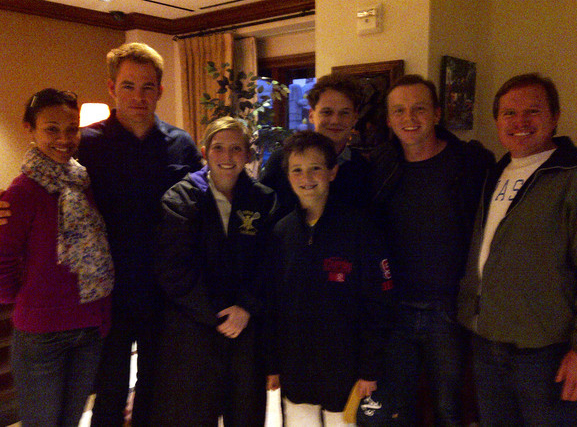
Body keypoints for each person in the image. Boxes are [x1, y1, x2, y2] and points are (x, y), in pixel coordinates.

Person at [457, 73, 577, 425]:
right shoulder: (497, 171)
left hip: (545, 353)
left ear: (555, 117)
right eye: (509, 113)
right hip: (487, 342)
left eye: (532, 111)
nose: (519, 122)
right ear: (497, 121)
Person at [78, 43, 202, 426]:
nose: (138, 96)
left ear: (160, 91)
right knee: (109, 388)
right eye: (128, 86)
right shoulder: (87, 144)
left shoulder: (181, 144)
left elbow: (203, 209)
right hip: (109, 289)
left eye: (148, 87)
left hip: (163, 288)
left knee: (156, 385)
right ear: (112, 88)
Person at [371, 74, 494, 425]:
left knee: (449, 408)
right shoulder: (380, 166)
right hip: (396, 308)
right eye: (399, 110)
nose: (409, 118)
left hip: (448, 309)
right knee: (397, 408)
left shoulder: (471, 164)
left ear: (437, 113)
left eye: (419, 108)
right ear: (389, 119)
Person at [150, 117, 277, 426]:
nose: (227, 156)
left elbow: (270, 262)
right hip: (194, 329)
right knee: (194, 415)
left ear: (248, 154)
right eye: (218, 148)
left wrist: (246, 307)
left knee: (245, 415)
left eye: (236, 148)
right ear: (205, 152)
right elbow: (173, 269)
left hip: (246, 330)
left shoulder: (264, 199)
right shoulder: (180, 198)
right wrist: (216, 314)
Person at [0, 89, 114, 425]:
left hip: (88, 327)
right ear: (30, 129)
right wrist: (33, 301)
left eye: (71, 129)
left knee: (72, 420)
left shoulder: (83, 182)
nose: (64, 139)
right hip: (42, 335)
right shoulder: (21, 193)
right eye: (52, 129)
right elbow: (3, 262)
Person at [265, 131, 393, 426]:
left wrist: (370, 368)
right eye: (297, 170)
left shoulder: (360, 230)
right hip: (296, 370)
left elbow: (379, 304)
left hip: (347, 372)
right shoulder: (281, 233)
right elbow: (272, 306)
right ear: (287, 175)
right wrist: (272, 364)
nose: (306, 178)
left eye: (315, 168)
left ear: (332, 172)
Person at [260, 73, 371, 217]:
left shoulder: (363, 168)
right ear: (311, 115)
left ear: (354, 118)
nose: (335, 120)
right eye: (327, 112)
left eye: (344, 113)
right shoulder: (281, 160)